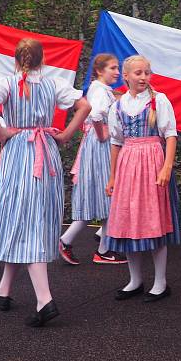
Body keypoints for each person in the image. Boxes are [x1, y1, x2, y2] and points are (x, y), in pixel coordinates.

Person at [0, 38, 90, 327]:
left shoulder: (6, 82)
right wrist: (65, 135)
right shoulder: (54, 84)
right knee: (26, 219)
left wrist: (1, 131)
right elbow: (85, 106)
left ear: (16, 60)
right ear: (43, 60)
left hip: (19, 153)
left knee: (24, 220)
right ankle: (3, 290)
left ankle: (44, 299)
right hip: (46, 153)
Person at [105, 55, 181, 302]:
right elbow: (116, 142)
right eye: (138, 73)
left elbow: (170, 134)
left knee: (154, 220)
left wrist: (167, 166)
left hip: (152, 163)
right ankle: (135, 279)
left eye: (147, 72)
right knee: (128, 220)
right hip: (128, 164)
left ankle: (160, 282)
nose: (143, 77)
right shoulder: (117, 106)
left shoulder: (158, 100)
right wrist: (113, 176)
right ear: (126, 76)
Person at [59, 54, 127, 265]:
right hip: (100, 147)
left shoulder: (102, 90)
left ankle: (77, 242)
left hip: (97, 146)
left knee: (104, 199)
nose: (117, 72)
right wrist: (102, 134)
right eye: (113, 68)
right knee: (109, 196)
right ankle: (102, 250)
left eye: (118, 68)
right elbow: (96, 114)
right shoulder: (99, 90)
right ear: (100, 71)